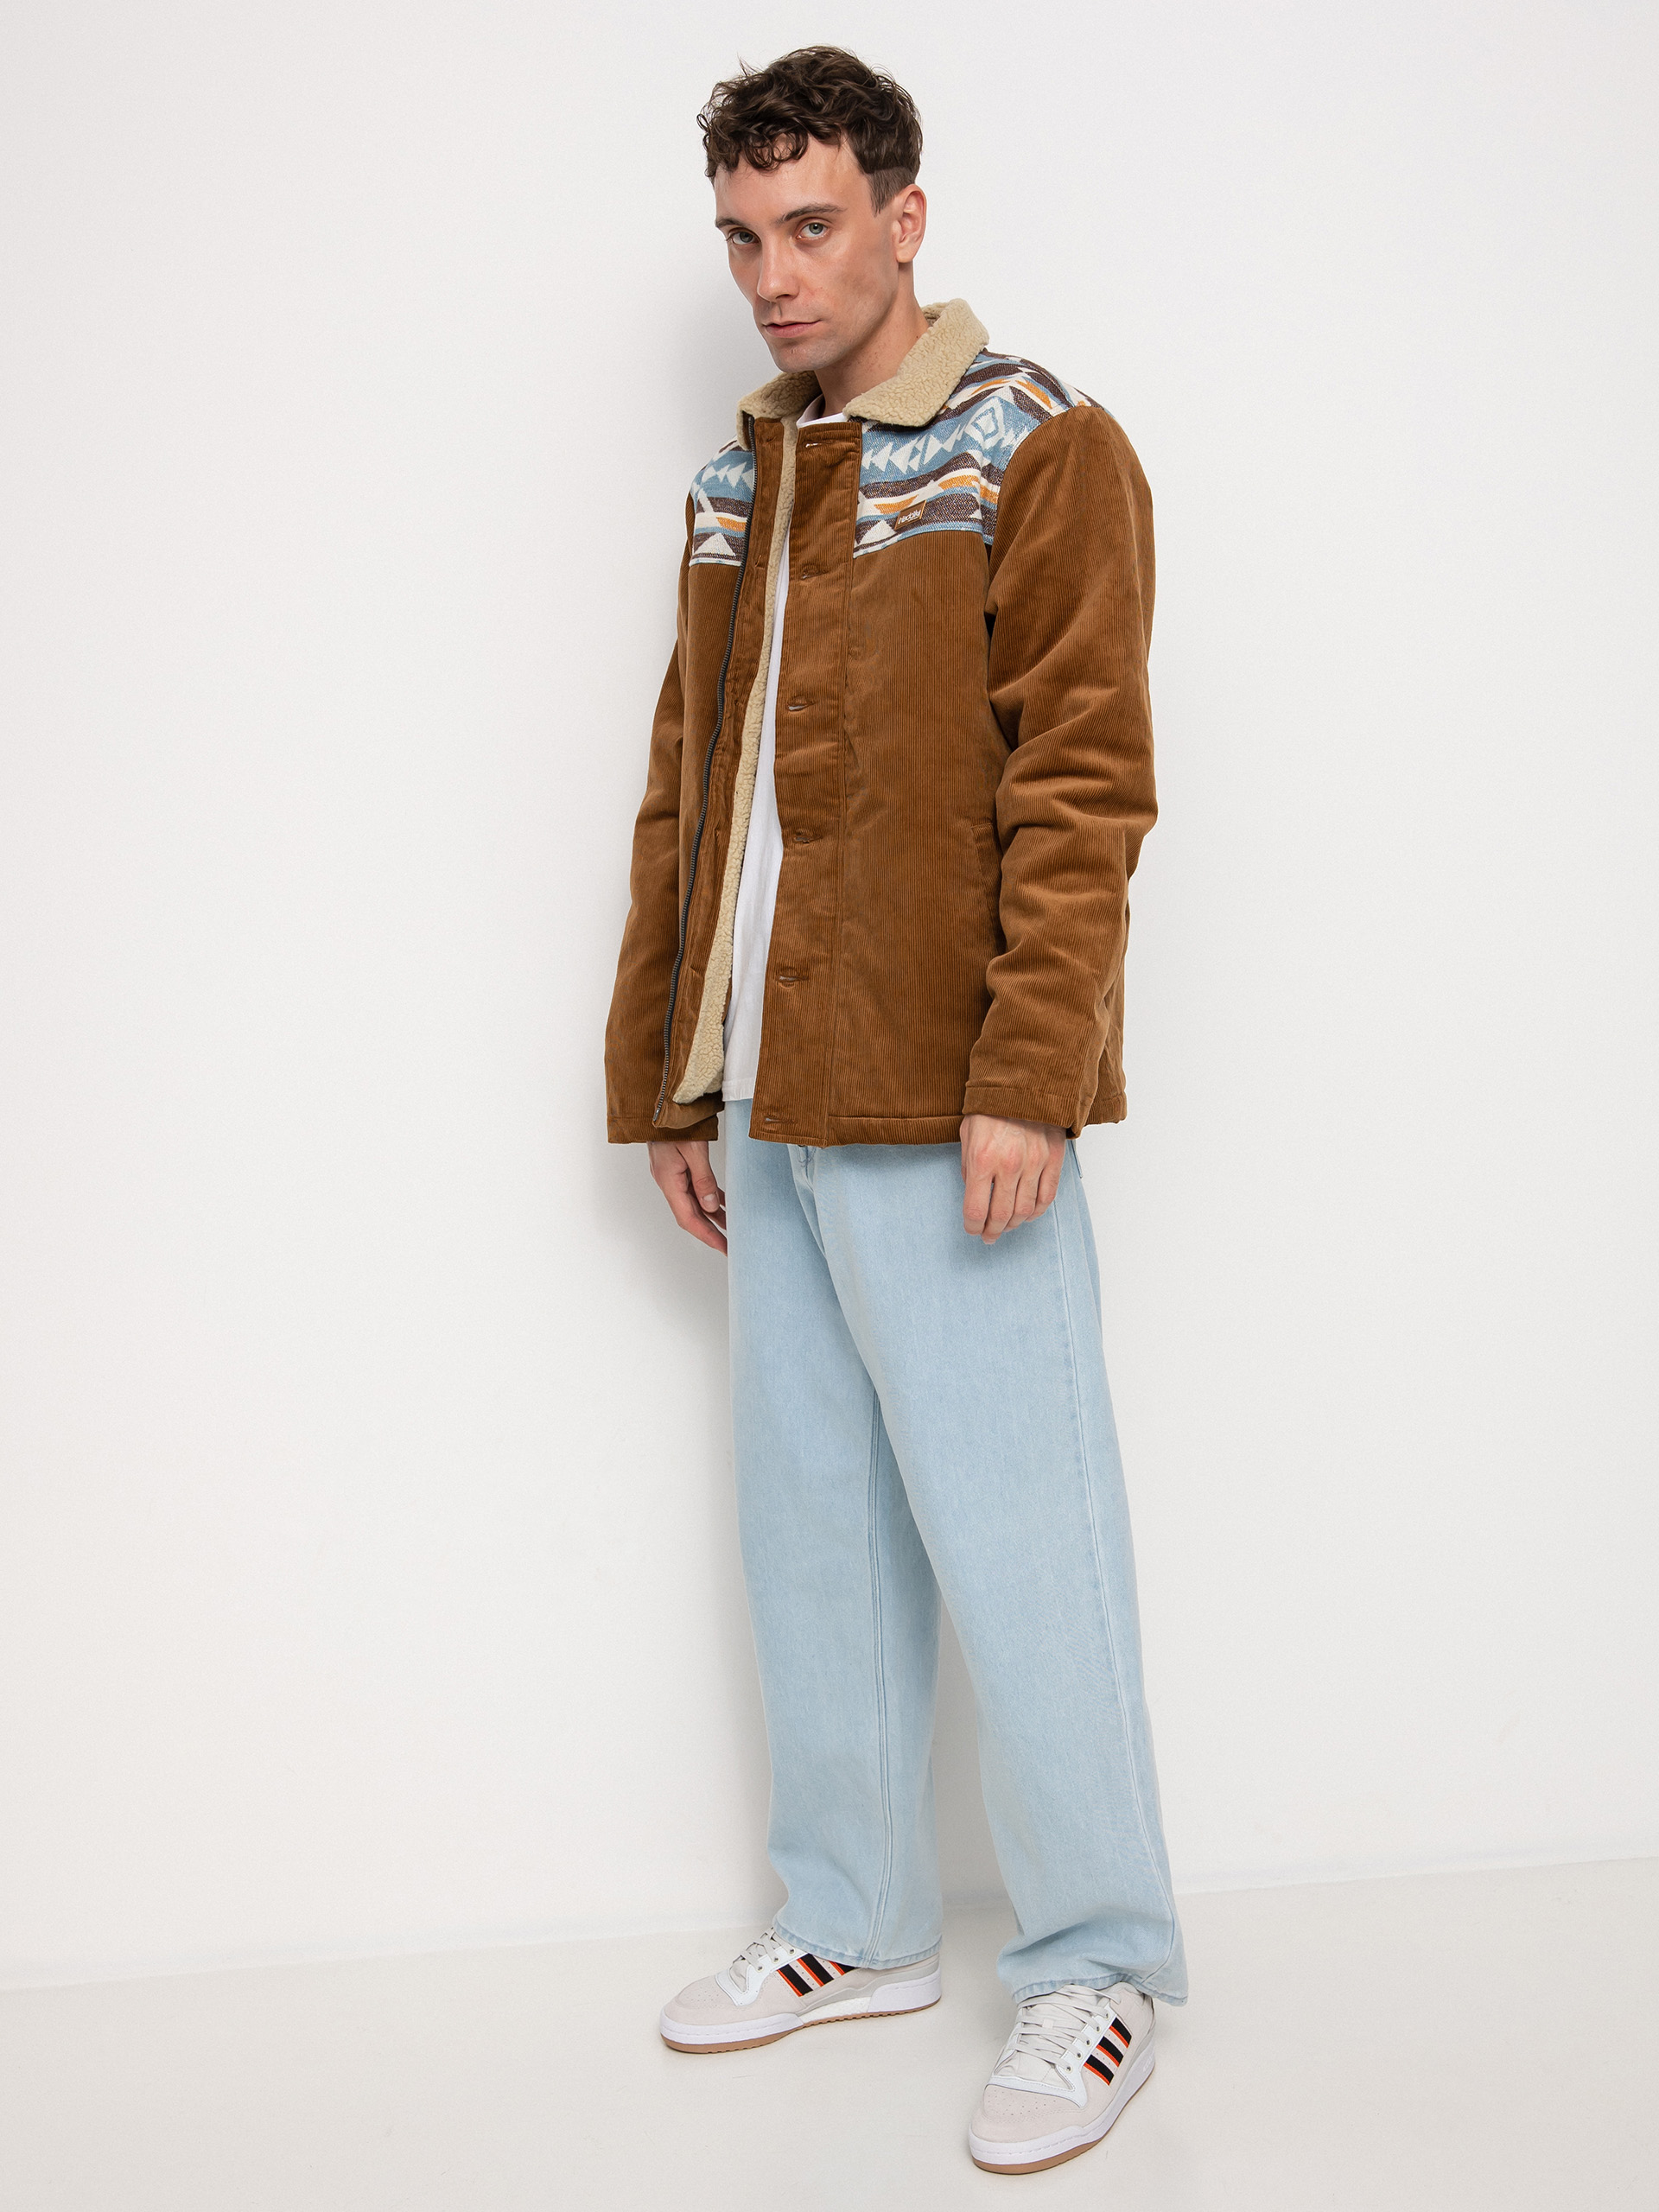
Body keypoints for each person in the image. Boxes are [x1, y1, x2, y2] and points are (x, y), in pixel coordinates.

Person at [604, 44, 1185, 2177]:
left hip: (952, 1099)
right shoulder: (739, 481)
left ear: (904, 217)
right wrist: (675, 1068)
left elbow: (1085, 784)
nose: (774, 273)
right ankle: (853, 1915)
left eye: (813, 225)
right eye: (742, 237)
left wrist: (1029, 1072)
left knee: (1027, 1537)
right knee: (814, 1536)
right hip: (768, 1090)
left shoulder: (1038, 444)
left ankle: (1103, 1958)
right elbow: (691, 787)